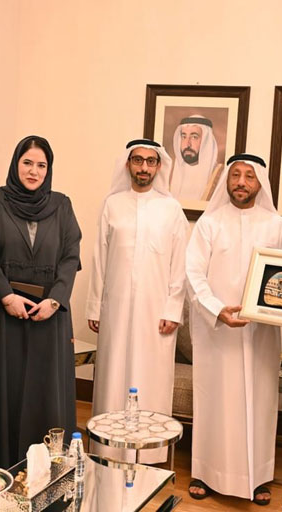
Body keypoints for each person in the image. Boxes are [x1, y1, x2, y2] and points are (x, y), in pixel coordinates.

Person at [185, 153, 282, 506]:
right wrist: (217, 310)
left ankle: (257, 477)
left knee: (259, 404)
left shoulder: (276, 224)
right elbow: (193, 273)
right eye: (235, 175)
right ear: (227, 180)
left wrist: (279, 309)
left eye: (249, 176)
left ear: (259, 182)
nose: (241, 182)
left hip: (260, 333)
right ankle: (205, 471)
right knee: (214, 401)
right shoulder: (209, 223)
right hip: (217, 332)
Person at [0, 135, 81, 468]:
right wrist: (5, 295)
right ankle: (7, 469)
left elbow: (70, 257)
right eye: (27, 163)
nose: (34, 171)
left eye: (41, 165)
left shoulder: (62, 205)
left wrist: (55, 300)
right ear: (15, 164)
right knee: (7, 393)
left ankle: (50, 471)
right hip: (7, 314)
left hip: (49, 315)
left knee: (47, 394)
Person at [87, 139, 188, 463]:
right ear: (128, 164)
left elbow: (180, 265)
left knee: (151, 381)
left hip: (156, 315)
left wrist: (173, 309)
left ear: (159, 167)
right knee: (113, 377)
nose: (144, 167)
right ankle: (108, 451)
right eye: (138, 160)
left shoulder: (171, 209)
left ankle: (149, 456)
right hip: (115, 310)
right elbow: (99, 259)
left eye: (150, 161)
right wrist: (95, 306)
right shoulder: (112, 205)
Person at [169, 115, 223, 200]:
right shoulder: (170, 173)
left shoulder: (219, 175)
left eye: (194, 137)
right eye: (184, 137)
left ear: (206, 142)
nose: (187, 144)